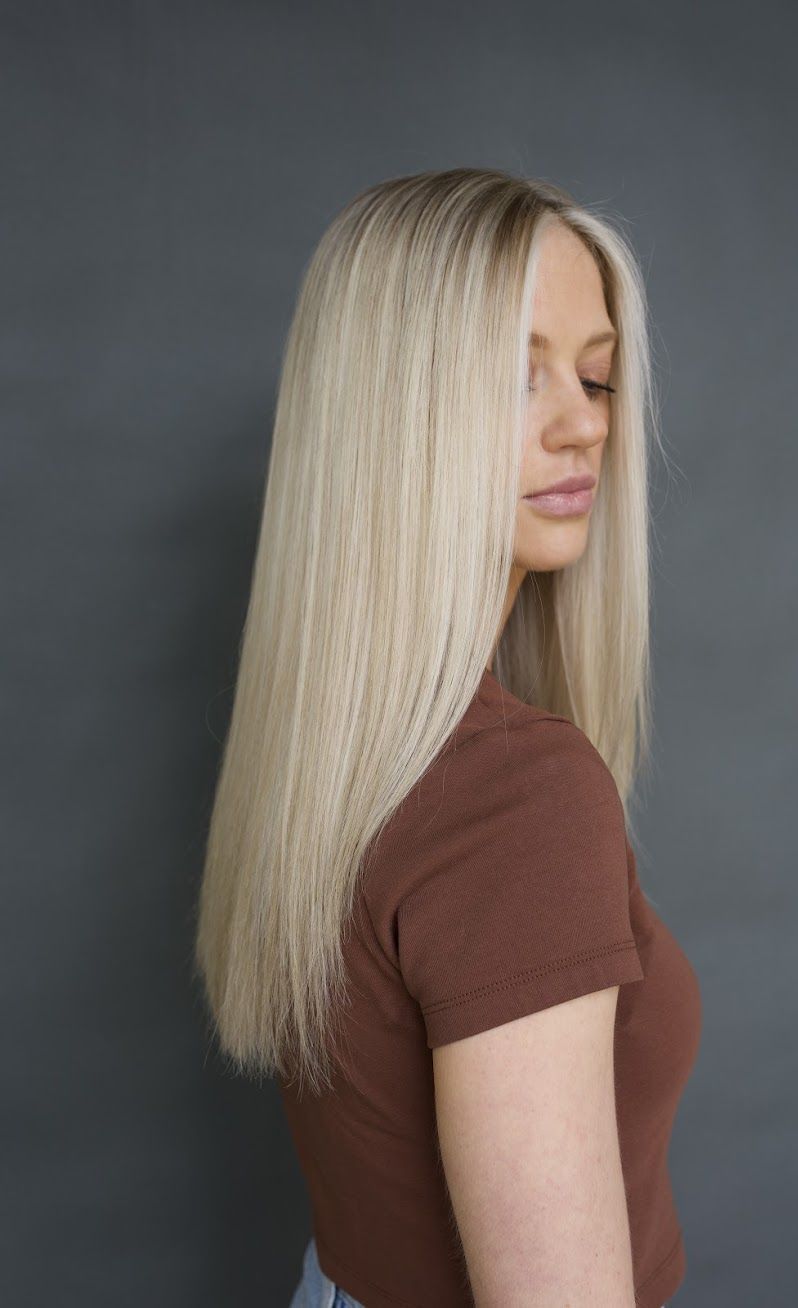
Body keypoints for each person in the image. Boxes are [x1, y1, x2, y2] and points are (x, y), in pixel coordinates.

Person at [194, 167, 702, 1307]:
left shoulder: (341, 756)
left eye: (594, 373)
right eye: (516, 378)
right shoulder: (514, 796)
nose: (585, 424)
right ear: (391, 413)